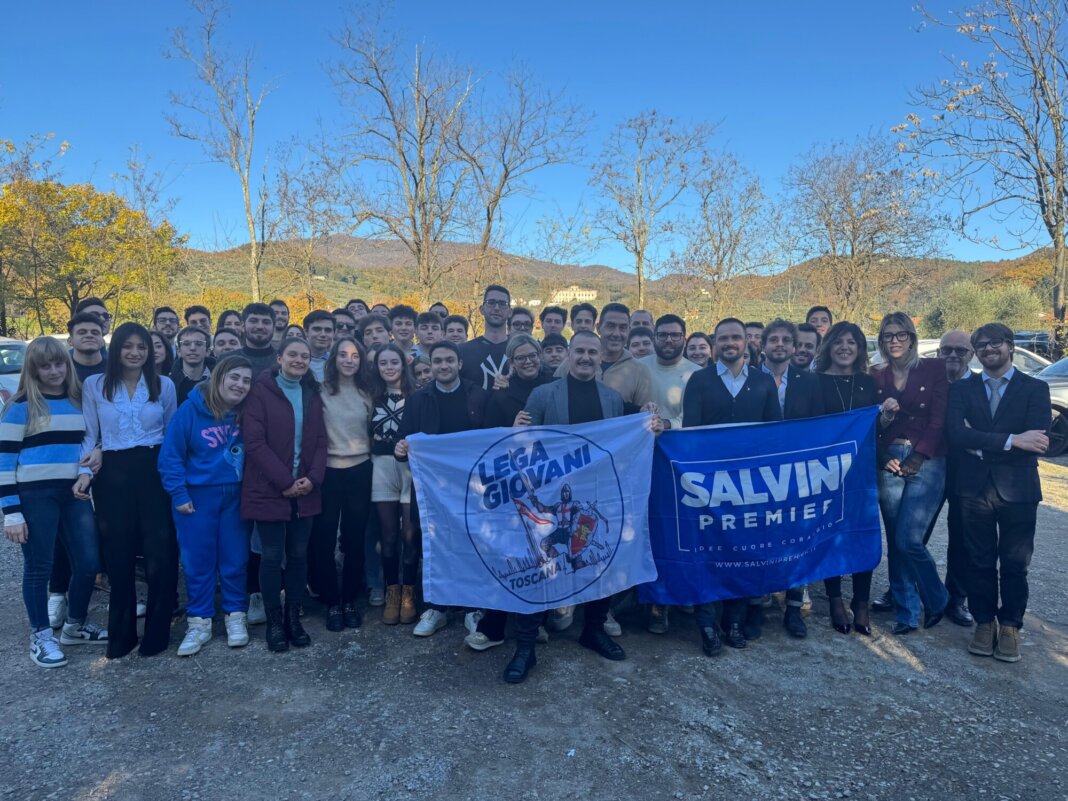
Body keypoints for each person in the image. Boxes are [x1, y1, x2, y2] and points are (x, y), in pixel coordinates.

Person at [501, 331, 629, 682]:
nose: (586, 357)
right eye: (580, 351)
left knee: (598, 560)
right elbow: (526, 448)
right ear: (567, 355)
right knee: (542, 565)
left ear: (601, 356)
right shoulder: (542, 395)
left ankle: (594, 629)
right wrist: (515, 431)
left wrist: (650, 419)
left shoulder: (613, 399)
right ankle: (526, 647)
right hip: (553, 496)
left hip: (596, 496)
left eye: (592, 351)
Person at [947, 323, 1051, 663]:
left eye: (995, 343)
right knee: (977, 561)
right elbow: (956, 436)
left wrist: (981, 443)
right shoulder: (964, 389)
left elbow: (1036, 441)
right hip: (973, 490)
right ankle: (983, 622)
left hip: (1018, 490)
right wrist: (1011, 440)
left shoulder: (1035, 388)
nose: (988, 349)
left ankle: (1010, 626)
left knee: (1015, 563)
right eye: (981, 345)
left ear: (1010, 346)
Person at [2, 337, 106, 668]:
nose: (54, 371)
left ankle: (74, 626)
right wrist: (12, 514)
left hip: (74, 493)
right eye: (45, 365)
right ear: (33, 368)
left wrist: (84, 472)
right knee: (39, 567)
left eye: (59, 364)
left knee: (89, 563)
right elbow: (4, 461)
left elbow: (85, 445)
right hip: (35, 496)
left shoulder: (78, 400)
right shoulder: (21, 405)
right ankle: (41, 635)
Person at [682, 318, 782, 655]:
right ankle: (707, 624)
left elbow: (775, 434)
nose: (730, 343)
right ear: (714, 343)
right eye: (723, 338)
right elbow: (692, 434)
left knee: (744, 551)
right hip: (709, 484)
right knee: (707, 552)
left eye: (736, 338)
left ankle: (734, 620)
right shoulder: (699, 380)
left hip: (751, 484)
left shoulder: (763, 382)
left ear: (747, 343)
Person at [81, 322, 178, 659]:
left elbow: (171, 432)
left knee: (159, 554)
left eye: (142, 347)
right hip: (113, 472)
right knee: (118, 555)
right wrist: (84, 471)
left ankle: (157, 635)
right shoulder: (94, 385)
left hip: (154, 471)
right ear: (116, 349)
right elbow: (90, 435)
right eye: (128, 346)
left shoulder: (163, 385)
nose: (135, 352)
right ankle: (121, 637)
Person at [158, 355, 254, 656]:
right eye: (234, 377)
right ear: (219, 378)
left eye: (246, 380)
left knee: (235, 558)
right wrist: (179, 494)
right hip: (197, 498)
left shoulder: (247, 411)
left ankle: (235, 615)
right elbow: (171, 455)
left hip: (237, 496)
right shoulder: (190, 410)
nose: (240, 385)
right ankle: (199, 621)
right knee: (198, 561)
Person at [394, 340, 489, 637]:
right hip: (432, 489)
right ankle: (437, 607)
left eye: (450, 360)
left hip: (473, 489)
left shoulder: (480, 396)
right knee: (434, 546)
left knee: (474, 546)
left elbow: (492, 441)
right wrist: (400, 448)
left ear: (459, 364)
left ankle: (474, 608)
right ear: (431, 365)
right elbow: (403, 440)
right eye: (438, 361)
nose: (444, 365)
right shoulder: (418, 399)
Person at [241, 337, 327, 652]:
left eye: (304, 356)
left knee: (298, 556)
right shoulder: (260, 393)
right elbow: (254, 443)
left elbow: (320, 441)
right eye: (292, 355)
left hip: (306, 489)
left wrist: (313, 479)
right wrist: (284, 481)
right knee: (271, 555)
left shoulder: (312, 393)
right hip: (269, 488)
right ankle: (274, 620)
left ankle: (294, 616)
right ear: (279, 358)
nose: (299, 360)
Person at [871, 312, 949, 635]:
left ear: (913, 338)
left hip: (926, 459)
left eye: (901, 335)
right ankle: (906, 611)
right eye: (888, 336)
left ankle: (937, 596)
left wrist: (919, 455)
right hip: (889, 459)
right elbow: (868, 427)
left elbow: (938, 419)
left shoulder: (933, 369)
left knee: (908, 538)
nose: (894, 341)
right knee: (895, 538)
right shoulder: (875, 375)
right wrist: (882, 451)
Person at [758, 319, 825, 637]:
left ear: (796, 346)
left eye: (787, 340)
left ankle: (794, 607)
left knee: (797, 537)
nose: (780, 344)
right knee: (758, 537)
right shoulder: (747, 378)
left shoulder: (810, 383)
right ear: (763, 344)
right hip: (757, 471)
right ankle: (756, 604)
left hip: (799, 472)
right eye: (774, 339)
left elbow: (819, 427)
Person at [908, 330, 976, 627]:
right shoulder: (926, 381)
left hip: (966, 471)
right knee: (913, 533)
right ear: (937, 352)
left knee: (961, 538)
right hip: (929, 465)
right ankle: (905, 588)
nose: (952, 355)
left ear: (971, 355)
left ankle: (956, 600)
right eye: (946, 349)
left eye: (960, 351)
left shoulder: (978, 387)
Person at [815, 321, 878, 636]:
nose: (845, 347)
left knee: (861, 532)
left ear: (860, 349)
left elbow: (877, 428)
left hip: (862, 470)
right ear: (828, 346)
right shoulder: (814, 382)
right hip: (826, 471)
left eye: (852, 342)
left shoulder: (869, 383)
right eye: (838, 341)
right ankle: (835, 598)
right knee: (831, 531)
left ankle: (862, 601)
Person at [639, 314, 700, 635]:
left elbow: (699, 422)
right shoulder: (639, 367)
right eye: (662, 335)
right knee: (652, 532)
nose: (668, 341)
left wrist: (669, 427)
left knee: (681, 532)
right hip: (642, 463)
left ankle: (683, 593)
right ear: (653, 336)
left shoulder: (698, 374)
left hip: (680, 465)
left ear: (684, 338)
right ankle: (655, 602)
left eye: (675, 336)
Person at [309, 337, 375, 632]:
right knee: (323, 539)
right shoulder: (320, 391)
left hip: (360, 470)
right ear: (333, 359)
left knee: (354, 539)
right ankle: (331, 601)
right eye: (343, 355)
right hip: (328, 473)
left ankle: (349, 600)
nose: (349, 360)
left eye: (355, 356)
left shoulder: (367, 392)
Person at [369, 344, 418, 627]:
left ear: (403, 364)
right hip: (381, 466)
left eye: (393, 362)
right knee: (388, 534)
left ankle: (409, 592)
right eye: (383, 363)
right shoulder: (371, 396)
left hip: (410, 468)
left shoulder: (417, 395)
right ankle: (392, 591)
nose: (388, 367)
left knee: (410, 533)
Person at [459, 285, 511, 390]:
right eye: (491, 303)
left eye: (502, 304)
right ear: (482, 309)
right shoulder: (462, 351)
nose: (496, 308)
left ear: (510, 312)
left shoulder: (520, 351)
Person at [171, 326, 212, 407]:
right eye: (186, 344)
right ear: (178, 351)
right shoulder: (169, 383)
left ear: (207, 351)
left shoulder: (220, 381)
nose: (192, 348)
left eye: (199, 344)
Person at [240, 303, 279, 378]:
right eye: (253, 321)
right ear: (242, 326)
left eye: (266, 322)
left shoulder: (284, 362)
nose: (260, 327)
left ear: (274, 327)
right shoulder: (226, 361)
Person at [67, 312, 107, 382]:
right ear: (70, 341)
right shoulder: (61, 370)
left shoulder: (114, 369)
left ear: (102, 341)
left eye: (95, 333)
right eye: (82, 332)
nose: (89, 335)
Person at [303, 310, 335, 381]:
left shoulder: (337, 362)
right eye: (317, 329)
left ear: (333, 334)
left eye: (328, 330)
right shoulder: (295, 361)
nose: (323, 334)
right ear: (306, 332)